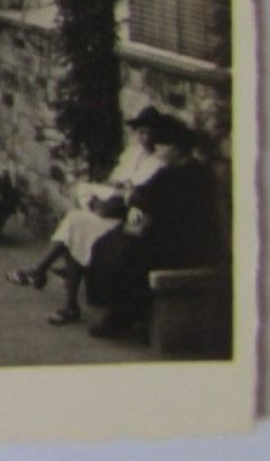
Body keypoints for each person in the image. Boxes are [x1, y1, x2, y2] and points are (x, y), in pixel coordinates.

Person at [5, 106, 171, 325]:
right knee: (78, 218)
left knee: (75, 225)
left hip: (128, 221)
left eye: (149, 133)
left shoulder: (159, 163)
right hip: (114, 205)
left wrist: (122, 194)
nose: (145, 138)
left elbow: (138, 200)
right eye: (141, 132)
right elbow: (116, 179)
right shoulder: (135, 152)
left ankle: (49, 283)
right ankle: (55, 289)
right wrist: (112, 190)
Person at [85, 116, 219, 339]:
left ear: (177, 149)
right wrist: (130, 225)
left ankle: (121, 317)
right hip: (165, 234)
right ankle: (121, 311)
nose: (156, 150)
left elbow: (148, 206)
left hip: (184, 242)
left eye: (162, 145)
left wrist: (133, 226)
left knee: (126, 255)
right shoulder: (170, 172)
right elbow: (142, 200)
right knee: (108, 244)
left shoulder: (191, 175)